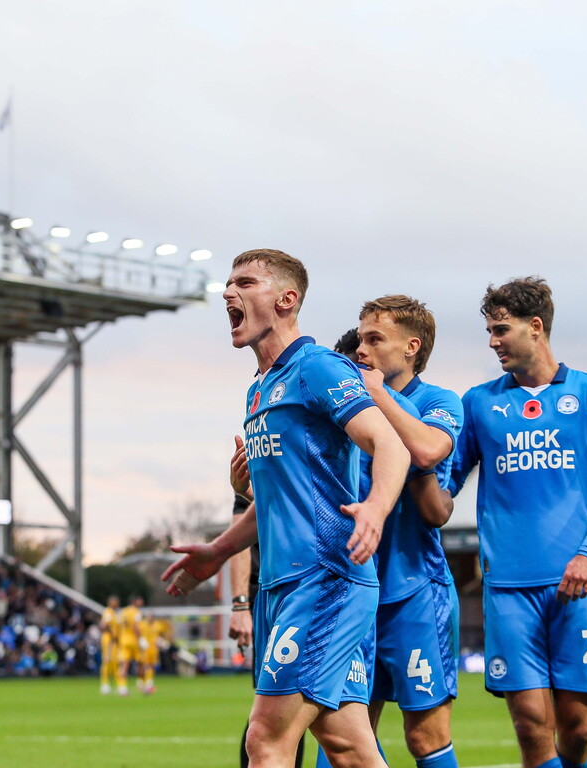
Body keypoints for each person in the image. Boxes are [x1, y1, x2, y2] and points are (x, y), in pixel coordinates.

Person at [163, 249, 409, 768]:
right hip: (282, 585)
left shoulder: (317, 367)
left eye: (244, 283)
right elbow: (275, 500)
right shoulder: (258, 390)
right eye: (228, 283)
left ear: (286, 299)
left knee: (265, 740)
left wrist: (375, 507)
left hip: (324, 581)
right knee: (349, 748)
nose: (228, 292)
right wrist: (218, 551)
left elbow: (390, 444)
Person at [449, 276, 587, 768]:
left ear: (535, 326)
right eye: (489, 332)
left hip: (578, 584)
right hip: (508, 588)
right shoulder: (478, 402)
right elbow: (446, 483)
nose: (492, 342)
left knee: (579, 729)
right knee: (532, 726)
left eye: (500, 330)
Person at [354, 296, 464, 768]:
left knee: (425, 735)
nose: (361, 349)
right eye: (360, 339)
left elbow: (426, 453)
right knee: (346, 735)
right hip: (352, 593)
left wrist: (378, 395)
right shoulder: (347, 407)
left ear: (411, 347)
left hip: (413, 591)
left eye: (374, 339)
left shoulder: (440, 402)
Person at [227, 493, 305, 768]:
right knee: (272, 720)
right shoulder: (257, 467)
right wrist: (240, 604)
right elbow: (241, 529)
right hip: (272, 597)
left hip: (324, 590)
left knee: (338, 728)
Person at [116, 595, 145, 696]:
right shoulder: (136, 612)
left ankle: (122, 688)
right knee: (141, 663)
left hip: (124, 640)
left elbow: (119, 625)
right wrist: (141, 639)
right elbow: (135, 626)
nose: (142, 602)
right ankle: (141, 685)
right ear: (135, 601)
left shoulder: (123, 611)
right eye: (140, 600)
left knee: (124, 664)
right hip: (134, 641)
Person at [99, 595, 120, 695]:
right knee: (107, 661)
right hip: (108, 640)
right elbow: (104, 625)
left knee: (114, 662)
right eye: (115, 602)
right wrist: (112, 635)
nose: (117, 604)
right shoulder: (108, 612)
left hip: (113, 641)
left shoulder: (115, 613)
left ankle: (118, 684)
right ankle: (105, 684)